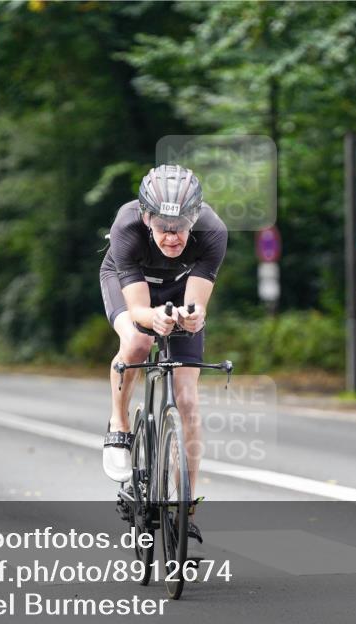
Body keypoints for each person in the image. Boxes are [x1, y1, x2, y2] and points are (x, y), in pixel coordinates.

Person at [99, 164, 228, 556]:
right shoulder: (126, 228)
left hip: (177, 286)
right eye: (162, 227)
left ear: (194, 218)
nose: (172, 236)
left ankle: (185, 512)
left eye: (181, 227)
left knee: (187, 400)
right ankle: (119, 423)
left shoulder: (213, 231)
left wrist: (192, 317)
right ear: (146, 218)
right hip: (128, 285)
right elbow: (138, 308)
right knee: (137, 343)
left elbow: (198, 304)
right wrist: (154, 319)